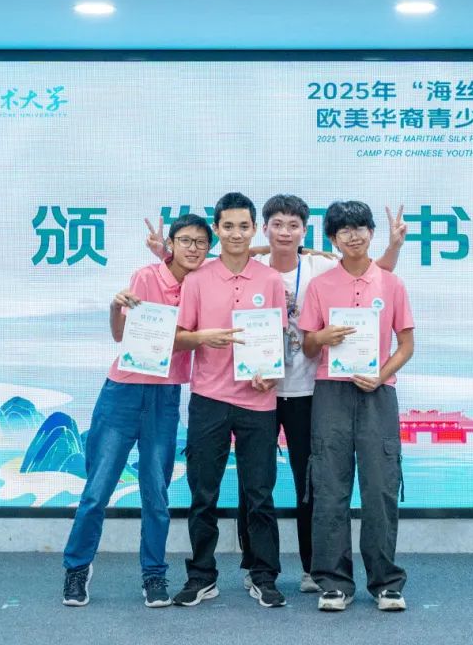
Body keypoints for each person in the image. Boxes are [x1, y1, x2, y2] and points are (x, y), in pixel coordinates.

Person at [232, 195, 408, 595]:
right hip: (256, 388)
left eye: (294, 225)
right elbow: (220, 265)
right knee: (253, 483)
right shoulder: (250, 269)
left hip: (309, 389)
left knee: (312, 483)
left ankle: (315, 568)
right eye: (277, 225)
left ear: (306, 230)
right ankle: (257, 566)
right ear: (264, 228)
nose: (285, 232)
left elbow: (373, 274)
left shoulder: (321, 268)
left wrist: (395, 246)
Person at [61, 214, 213, 609]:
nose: (193, 248)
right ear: (172, 244)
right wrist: (115, 306)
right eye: (185, 240)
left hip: (165, 397)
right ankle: (77, 567)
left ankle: (154, 575)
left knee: (156, 493)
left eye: (201, 242)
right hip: (123, 392)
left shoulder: (205, 284)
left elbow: (244, 255)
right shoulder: (146, 277)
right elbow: (120, 334)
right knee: (97, 491)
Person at [171, 192, 289, 608]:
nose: (236, 233)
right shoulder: (197, 280)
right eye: (228, 226)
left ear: (254, 229)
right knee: (203, 493)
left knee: (259, 494)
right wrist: (202, 337)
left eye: (243, 226)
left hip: (259, 401)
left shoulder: (270, 280)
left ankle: (263, 575)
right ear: (217, 230)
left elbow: (278, 340)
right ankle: (201, 575)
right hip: (209, 398)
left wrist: (271, 373)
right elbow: (178, 337)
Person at [299, 201, 415, 613]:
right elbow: (307, 345)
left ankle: (385, 583)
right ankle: (334, 583)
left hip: (377, 394)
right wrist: (322, 337)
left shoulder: (391, 283)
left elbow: (407, 345)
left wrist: (382, 375)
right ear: (332, 238)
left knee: (380, 487)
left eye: (360, 228)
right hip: (330, 391)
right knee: (330, 487)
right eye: (344, 230)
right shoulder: (320, 286)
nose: (353, 236)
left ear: (371, 233)